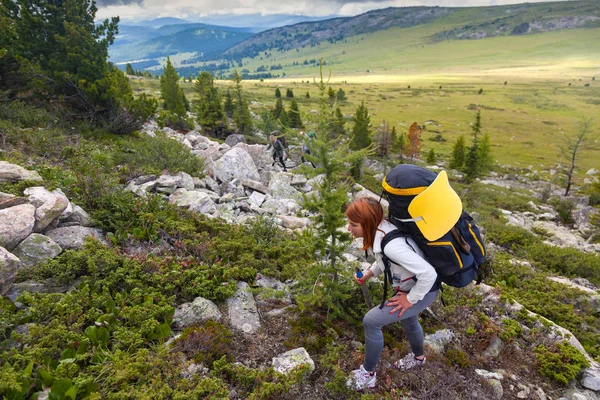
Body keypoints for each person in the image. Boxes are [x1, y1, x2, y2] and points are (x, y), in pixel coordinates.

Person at [345, 197, 439, 391]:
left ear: (368, 223)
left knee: (371, 321)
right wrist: (370, 273)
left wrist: (410, 299)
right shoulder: (382, 228)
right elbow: (385, 261)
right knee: (409, 320)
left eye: (353, 224)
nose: (348, 228)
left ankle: (368, 374)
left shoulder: (391, 246)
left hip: (423, 289)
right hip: (412, 286)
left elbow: (428, 274)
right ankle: (418, 358)